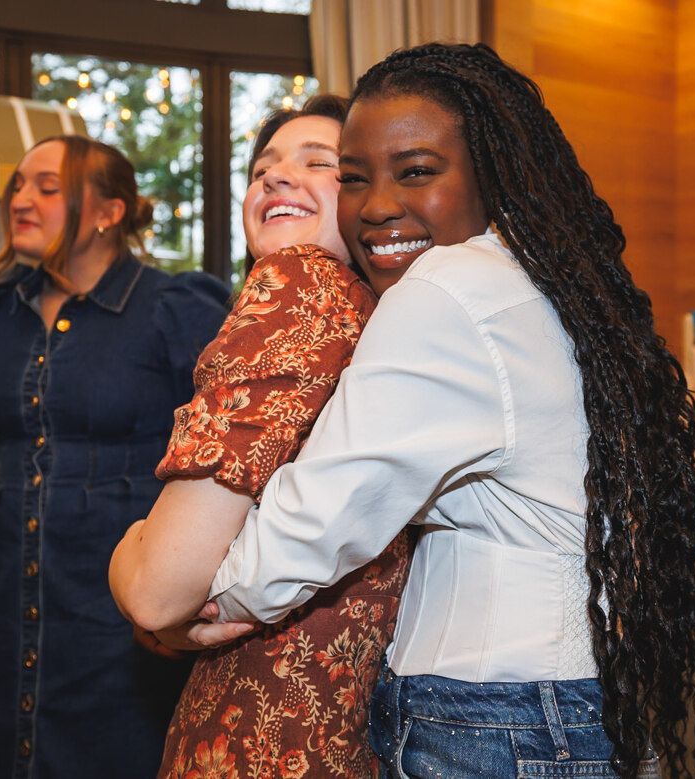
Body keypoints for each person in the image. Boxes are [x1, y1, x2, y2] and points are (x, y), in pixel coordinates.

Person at [202, 43, 695, 779]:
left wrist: (194, 598)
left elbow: (316, 518)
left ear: (493, 173)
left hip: (496, 716)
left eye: (417, 171)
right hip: (570, 698)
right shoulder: (540, 278)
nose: (377, 205)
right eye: (354, 178)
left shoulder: (446, 287)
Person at [109, 95, 412, 778]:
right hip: (345, 729)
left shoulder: (297, 283)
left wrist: (126, 552)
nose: (274, 177)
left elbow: (158, 590)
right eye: (262, 169)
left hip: (256, 725)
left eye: (318, 162)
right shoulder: (380, 315)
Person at [0, 135, 230, 778]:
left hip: (117, 604)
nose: (21, 199)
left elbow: (230, 439)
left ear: (108, 212)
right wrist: (33, 481)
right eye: (18, 185)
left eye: (47, 187)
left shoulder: (173, 307)